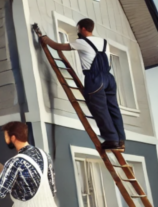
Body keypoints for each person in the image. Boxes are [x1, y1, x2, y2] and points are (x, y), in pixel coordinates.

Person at [38, 18, 125, 150]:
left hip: (95, 79)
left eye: (78, 28)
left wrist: (45, 39)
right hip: (109, 78)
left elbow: (58, 46)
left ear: (83, 28)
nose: (77, 31)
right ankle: (120, 139)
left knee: (100, 109)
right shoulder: (104, 42)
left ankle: (112, 139)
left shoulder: (81, 42)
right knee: (113, 108)